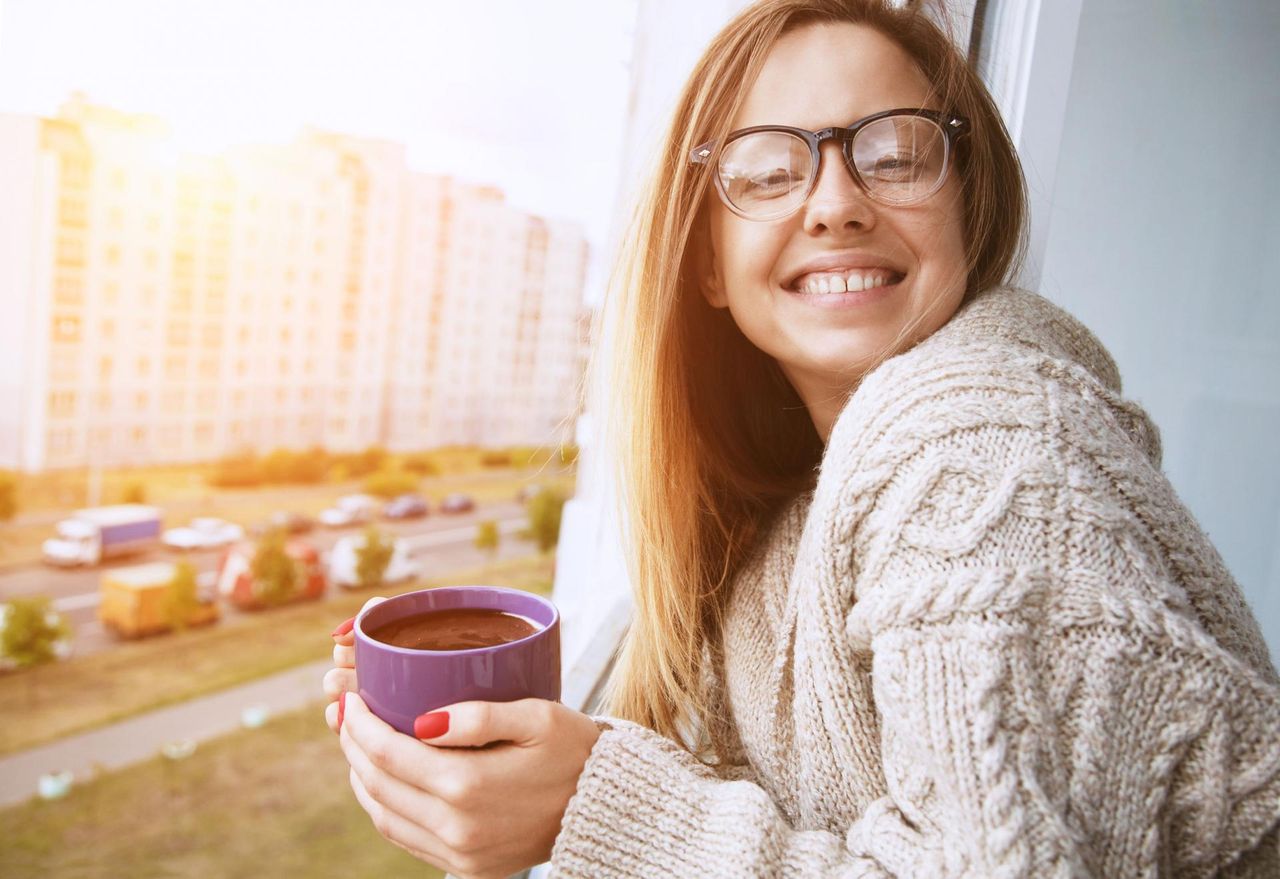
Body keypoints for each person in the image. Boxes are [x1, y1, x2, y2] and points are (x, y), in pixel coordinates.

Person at [323, 1, 1280, 876]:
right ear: (706, 260)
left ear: (969, 203)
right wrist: (497, 770)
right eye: (770, 172)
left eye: (896, 155)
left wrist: (598, 810)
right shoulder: (775, 527)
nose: (834, 203)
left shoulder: (984, 451)